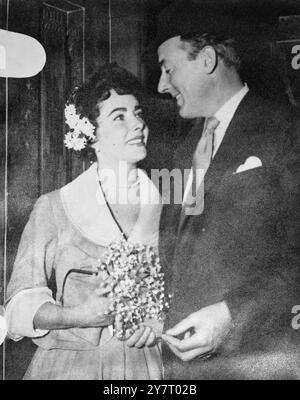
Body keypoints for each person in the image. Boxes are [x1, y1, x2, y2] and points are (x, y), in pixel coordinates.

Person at [155, 3, 300, 379]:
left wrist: (233, 314)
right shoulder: (182, 148)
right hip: (182, 365)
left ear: (205, 60)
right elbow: (172, 245)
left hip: (259, 358)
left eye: (168, 69)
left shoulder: (287, 129)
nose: (161, 85)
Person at [5, 63, 163, 380]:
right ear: (92, 137)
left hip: (142, 364)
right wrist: (80, 316)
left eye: (139, 113)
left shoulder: (162, 201)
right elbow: (18, 307)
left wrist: (158, 320)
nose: (138, 125)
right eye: (120, 117)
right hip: (72, 368)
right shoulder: (53, 207)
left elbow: (179, 287)